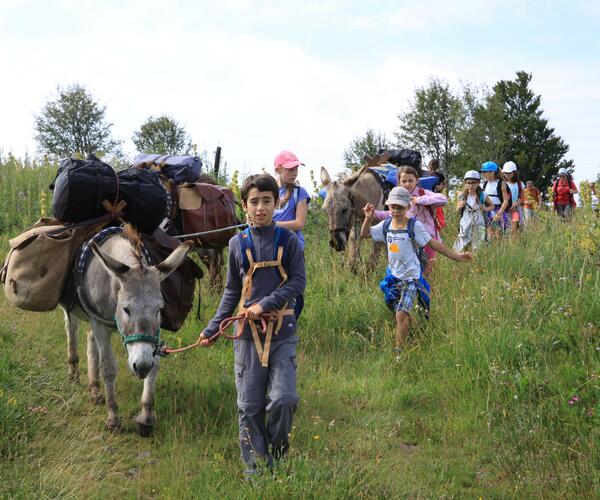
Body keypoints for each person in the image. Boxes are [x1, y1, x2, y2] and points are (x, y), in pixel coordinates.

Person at [199, 174, 306, 476]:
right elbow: (232, 291)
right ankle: (256, 472)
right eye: (254, 202)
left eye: (267, 201)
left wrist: (268, 303)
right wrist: (212, 329)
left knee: (284, 400)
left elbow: (298, 281)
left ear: (277, 203)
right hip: (246, 335)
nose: (261, 208)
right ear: (244, 206)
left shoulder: (289, 241)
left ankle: (277, 454)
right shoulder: (237, 244)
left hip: (282, 333)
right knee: (249, 406)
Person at [361, 187, 472, 353]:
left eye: (400, 207)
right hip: (393, 277)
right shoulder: (385, 226)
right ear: (389, 207)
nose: (396, 211)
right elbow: (365, 235)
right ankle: (411, 330)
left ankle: (398, 353)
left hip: (411, 278)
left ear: (407, 207)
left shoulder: (414, 226)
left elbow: (432, 243)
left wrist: (456, 256)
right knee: (397, 311)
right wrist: (369, 219)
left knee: (401, 313)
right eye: (393, 207)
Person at [373, 166, 447, 269]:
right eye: (404, 181)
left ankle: (429, 286)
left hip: (428, 240)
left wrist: (419, 200)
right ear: (399, 182)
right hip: (409, 240)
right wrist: (373, 213)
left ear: (416, 180)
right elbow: (390, 214)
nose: (407, 184)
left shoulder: (422, 193)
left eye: (410, 180)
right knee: (412, 269)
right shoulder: (399, 197)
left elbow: (443, 199)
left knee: (428, 270)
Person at [272, 150, 311, 319]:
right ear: (278, 170)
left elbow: (299, 223)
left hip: (293, 246)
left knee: (295, 287)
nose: (293, 173)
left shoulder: (299, 192)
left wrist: (270, 225)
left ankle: (292, 321)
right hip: (270, 245)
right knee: (272, 285)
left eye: (295, 169)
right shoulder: (268, 192)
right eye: (289, 169)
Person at [454, 170, 494, 252]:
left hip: (479, 222)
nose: (470, 185)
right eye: (468, 183)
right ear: (465, 183)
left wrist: (485, 209)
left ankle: (475, 260)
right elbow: (458, 211)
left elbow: (492, 206)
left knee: (478, 244)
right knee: (461, 243)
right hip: (465, 223)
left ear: (478, 183)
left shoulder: (483, 195)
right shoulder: (462, 195)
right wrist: (460, 206)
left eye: (473, 183)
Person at [480, 161, 510, 240]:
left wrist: (499, 213)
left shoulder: (501, 183)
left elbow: (506, 201)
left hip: (498, 211)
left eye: (484, 172)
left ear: (492, 172)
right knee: (489, 235)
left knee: (498, 235)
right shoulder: (485, 183)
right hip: (488, 211)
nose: (483, 174)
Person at [502, 161, 525, 236]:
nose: (507, 175)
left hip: (515, 209)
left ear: (514, 172)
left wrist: (516, 204)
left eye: (509, 173)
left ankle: (514, 244)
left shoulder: (520, 184)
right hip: (504, 210)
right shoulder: (502, 183)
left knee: (515, 228)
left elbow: (522, 198)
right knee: (504, 229)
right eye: (505, 173)